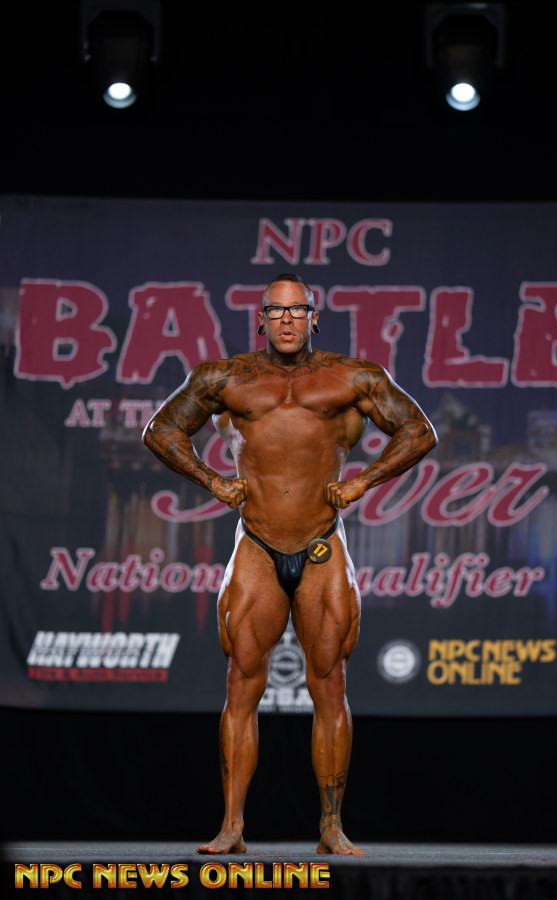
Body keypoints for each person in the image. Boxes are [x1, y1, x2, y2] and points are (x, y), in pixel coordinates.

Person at [143, 273, 438, 856]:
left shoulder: (353, 376)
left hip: (322, 542)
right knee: (241, 684)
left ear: (313, 318)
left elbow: (418, 431)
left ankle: (331, 826)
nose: (285, 320)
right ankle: (231, 826)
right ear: (260, 319)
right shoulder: (226, 377)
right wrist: (212, 480)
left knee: (330, 684)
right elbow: (161, 430)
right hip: (256, 542)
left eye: (296, 310)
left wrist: (363, 481)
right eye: (275, 311)